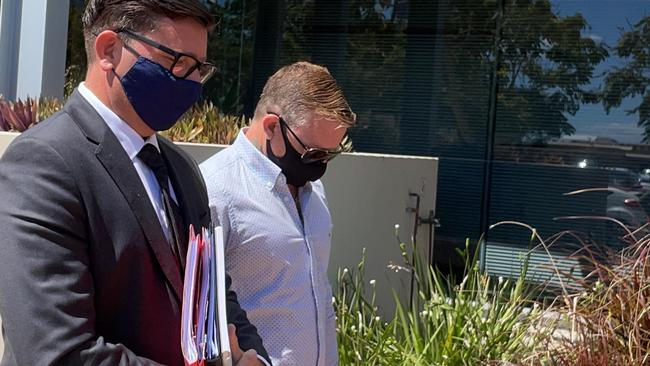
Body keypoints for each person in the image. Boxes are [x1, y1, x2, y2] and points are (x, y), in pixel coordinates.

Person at [0, 1, 270, 365]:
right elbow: (56, 353)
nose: (191, 84)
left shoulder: (181, 168)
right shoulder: (43, 164)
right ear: (109, 50)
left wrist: (257, 358)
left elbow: (215, 294)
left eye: (199, 69)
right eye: (178, 63)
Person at [200, 61, 356, 366]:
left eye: (330, 154)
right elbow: (202, 305)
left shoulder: (314, 190)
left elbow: (319, 295)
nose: (321, 165)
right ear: (272, 126)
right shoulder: (215, 189)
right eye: (314, 153)